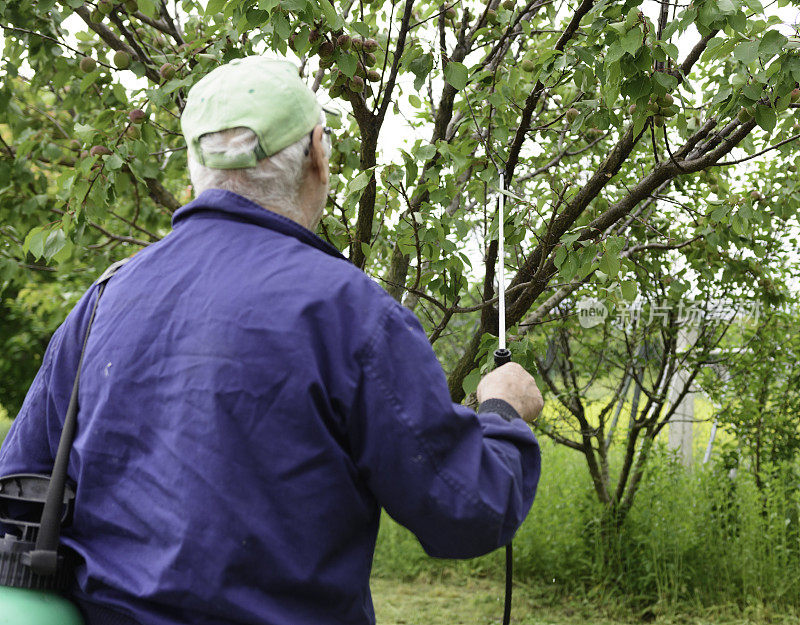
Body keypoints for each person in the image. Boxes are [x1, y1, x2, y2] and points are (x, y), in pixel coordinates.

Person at [0, 56, 543, 625]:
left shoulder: (102, 302)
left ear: (194, 166)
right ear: (318, 155)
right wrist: (503, 409)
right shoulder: (351, 313)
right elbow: (467, 509)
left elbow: (20, 492)